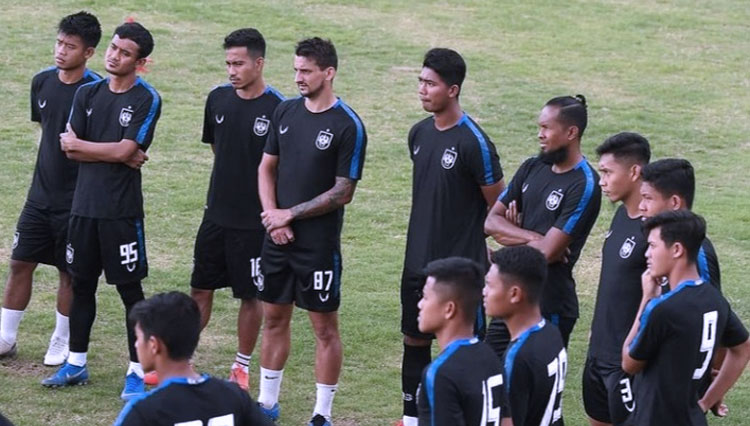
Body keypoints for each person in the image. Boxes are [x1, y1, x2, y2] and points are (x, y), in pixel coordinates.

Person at [41, 22, 160, 402]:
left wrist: (106, 149)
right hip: (83, 208)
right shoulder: (88, 93)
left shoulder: (146, 99)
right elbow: (68, 147)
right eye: (113, 48)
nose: (114, 56)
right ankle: (76, 362)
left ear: (141, 63)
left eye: (125, 53)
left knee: (130, 292)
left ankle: (137, 372)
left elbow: (124, 151)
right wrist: (116, 151)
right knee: (81, 284)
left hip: (121, 213)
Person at [256, 37, 367, 426]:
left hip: (317, 246)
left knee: (323, 327)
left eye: (306, 71)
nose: (298, 77)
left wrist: (291, 215)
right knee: (273, 318)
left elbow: (343, 191)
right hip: (277, 238)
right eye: (296, 70)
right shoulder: (285, 112)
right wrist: (272, 216)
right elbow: (266, 167)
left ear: (329, 73)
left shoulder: (347, 125)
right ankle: (267, 403)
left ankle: (322, 414)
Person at [399, 47, 504, 426]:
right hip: (417, 263)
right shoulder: (420, 133)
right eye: (421, 81)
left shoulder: (474, 142)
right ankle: (411, 419)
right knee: (414, 340)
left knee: (462, 352)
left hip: (461, 272)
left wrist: (488, 251)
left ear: (454, 89)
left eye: (431, 83)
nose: (422, 89)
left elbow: (499, 206)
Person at [180, 27, 284, 391]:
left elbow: (279, 168)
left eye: (239, 63)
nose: (231, 71)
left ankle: (240, 366)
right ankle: (183, 361)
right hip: (215, 215)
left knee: (249, 295)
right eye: (228, 63)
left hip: (253, 224)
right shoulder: (218, 99)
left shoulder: (279, 109)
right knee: (199, 289)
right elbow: (217, 149)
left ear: (259, 63)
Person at [0, 11, 101, 366]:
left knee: (68, 272)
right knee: (20, 262)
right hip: (39, 196)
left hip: (78, 203)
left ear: (88, 52)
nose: (60, 51)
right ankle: (5, 337)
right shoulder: (41, 82)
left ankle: (61, 339)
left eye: (70, 46)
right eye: (59, 43)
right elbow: (46, 128)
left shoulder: (97, 92)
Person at [485, 95, 601, 349]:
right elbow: (491, 222)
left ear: (571, 132)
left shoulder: (584, 184)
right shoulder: (532, 167)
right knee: (491, 380)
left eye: (546, 128)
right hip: (509, 297)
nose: (540, 134)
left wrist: (512, 236)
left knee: (537, 387)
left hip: (549, 305)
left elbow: (548, 254)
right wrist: (533, 237)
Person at [622, 210, 750, 425]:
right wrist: (706, 401)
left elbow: (628, 363)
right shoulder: (715, 300)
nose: (647, 254)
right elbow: (743, 348)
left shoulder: (662, 309)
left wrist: (646, 299)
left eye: (653, 246)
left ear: (677, 249)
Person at [114, 292, 275, 426]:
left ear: (154, 345)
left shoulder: (143, 412)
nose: (135, 345)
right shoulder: (233, 395)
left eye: (138, 338)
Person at [583, 132, 650, 426]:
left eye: (608, 172)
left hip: (626, 362)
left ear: (635, 172)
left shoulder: (654, 231)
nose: (602, 181)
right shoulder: (621, 216)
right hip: (597, 354)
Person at [415, 257, 510, 426]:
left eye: (426, 297)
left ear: (449, 309)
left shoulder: (441, 373)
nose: (420, 305)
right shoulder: (489, 356)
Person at [483, 246, 567, 426]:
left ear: (514, 294)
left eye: (490, 285)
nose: (484, 292)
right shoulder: (551, 333)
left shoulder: (518, 356)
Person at [639, 158, 720, 290]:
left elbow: (708, 306)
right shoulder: (659, 241)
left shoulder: (696, 253)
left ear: (675, 203)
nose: (641, 206)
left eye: (648, 198)